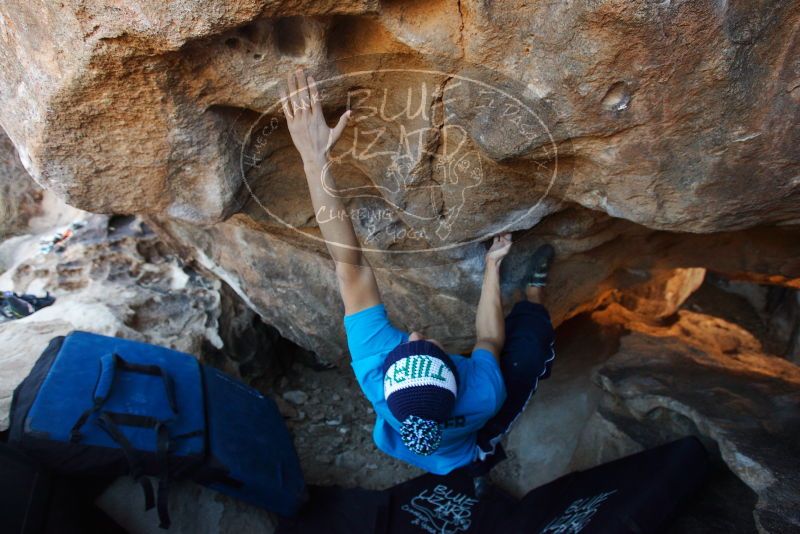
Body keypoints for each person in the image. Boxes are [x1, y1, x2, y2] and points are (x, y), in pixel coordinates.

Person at [279, 67, 556, 478]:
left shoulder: (376, 371)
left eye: (406, 348)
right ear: (456, 376)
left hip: (414, 440)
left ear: (389, 386)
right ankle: (535, 300)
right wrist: (492, 268)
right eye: (428, 346)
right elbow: (488, 339)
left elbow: (349, 267)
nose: (414, 336)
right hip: (468, 444)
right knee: (530, 355)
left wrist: (313, 158)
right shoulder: (484, 395)